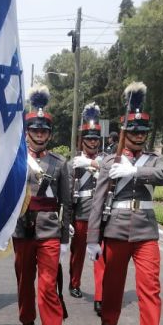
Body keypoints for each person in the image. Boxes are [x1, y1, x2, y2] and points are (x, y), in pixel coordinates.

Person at [86, 82, 163, 325]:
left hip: (146, 231)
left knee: (150, 286)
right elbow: (98, 201)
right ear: (125, 132)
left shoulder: (153, 160)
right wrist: (92, 238)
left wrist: (135, 170)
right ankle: (109, 319)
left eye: (143, 132)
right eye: (134, 132)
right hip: (116, 228)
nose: (138, 137)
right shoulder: (110, 160)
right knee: (113, 282)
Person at [13, 85, 72, 325]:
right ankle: (26, 318)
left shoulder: (60, 163)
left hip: (49, 230)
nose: (39, 134)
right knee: (25, 281)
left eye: (43, 130)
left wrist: (64, 238)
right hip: (22, 230)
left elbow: (67, 203)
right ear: (27, 131)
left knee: (48, 286)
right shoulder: (15, 160)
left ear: (49, 133)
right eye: (34, 130)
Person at [68, 102, 104, 302]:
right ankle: (74, 283)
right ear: (82, 141)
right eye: (88, 139)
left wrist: (92, 164)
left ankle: (100, 295)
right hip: (80, 211)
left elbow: (110, 171)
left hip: (100, 213)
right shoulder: (72, 162)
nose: (92, 142)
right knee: (78, 252)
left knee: (100, 256)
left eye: (95, 139)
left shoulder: (105, 160)